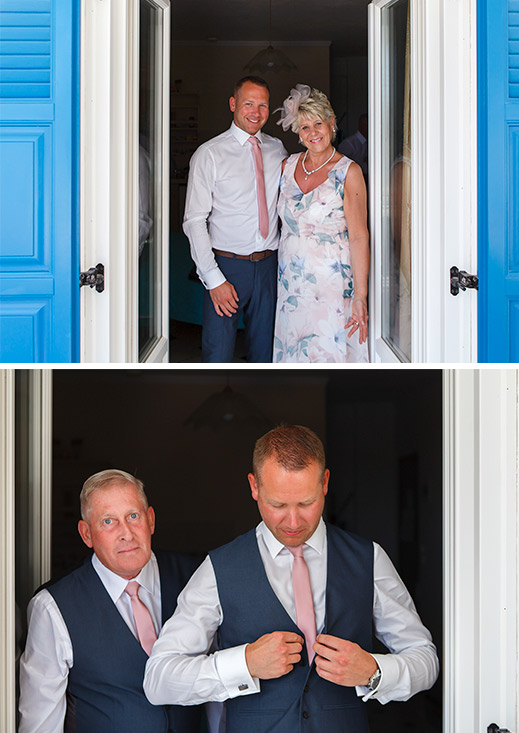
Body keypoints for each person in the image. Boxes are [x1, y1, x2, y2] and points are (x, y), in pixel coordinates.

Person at [143, 425, 438, 730]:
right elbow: (160, 679)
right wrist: (244, 664)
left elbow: (425, 661)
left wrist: (375, 672)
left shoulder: (369, 558)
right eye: (278, 505)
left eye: (306, 503)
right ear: (254, 487)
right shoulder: (218, 568)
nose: (294, 522)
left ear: (324, 483)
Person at [18, 470, 205, 733]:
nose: (126, 533)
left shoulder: (197, 578)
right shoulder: (53, 607)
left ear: (150, 520)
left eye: (133, 516)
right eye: (108, 521)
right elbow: (41, 722)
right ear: (87, 534)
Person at [184, 76, 287, 363]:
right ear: (233, 104)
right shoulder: (209, 154)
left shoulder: (277, 149)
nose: (256, 112)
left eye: (263, 105)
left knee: (266, 353)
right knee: (218, 353)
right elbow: (194, 220)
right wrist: (214, 279)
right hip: (227, 267)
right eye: (248, 103)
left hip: (269, 266)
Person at [271, 85, 370, 362]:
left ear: (332, 123)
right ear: (298, 133)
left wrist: (360, 296)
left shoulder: (348, 172)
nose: (313, 132)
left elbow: (360, 236)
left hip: (333, 289)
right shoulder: (286, 167)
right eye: (305, 127)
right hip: (291, 286)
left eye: (318, 123)